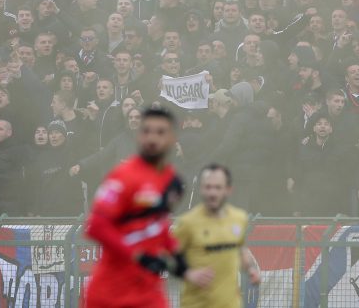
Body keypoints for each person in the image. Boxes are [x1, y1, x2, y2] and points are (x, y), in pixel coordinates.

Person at [83, 107, 211, 308]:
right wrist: (137, 256)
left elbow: (159, 228)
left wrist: (185, 270)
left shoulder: (170, 179)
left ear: (172, 138)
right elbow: (96, 226)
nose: (153, 138)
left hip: (148, 294)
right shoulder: (122, 175)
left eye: (160, 132)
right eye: (147, 131)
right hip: (110, 294)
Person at [174, 164, 261, 308]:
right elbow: (170, 257)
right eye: (208, 187)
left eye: (217, 187)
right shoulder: (187, 223)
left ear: (228, 190)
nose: (212, 193)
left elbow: (240, 249)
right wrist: (188, 273)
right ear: (201, 189)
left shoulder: (239, 218)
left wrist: (251, 269)